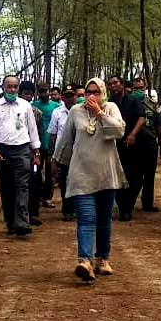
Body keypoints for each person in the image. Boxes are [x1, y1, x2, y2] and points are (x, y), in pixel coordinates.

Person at [52, 78, 126, 282]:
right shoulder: (76, 111)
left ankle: (103, 259)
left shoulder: (111, 108)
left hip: (106, 175)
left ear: (103, 93)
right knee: (86, 218)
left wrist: (99, 114)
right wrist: (56, 162)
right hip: (81, 174)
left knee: (104, 220)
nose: (91, 96)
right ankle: (84, 261)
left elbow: (119, 131)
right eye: (88, 92)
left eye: (96, 92)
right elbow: (66, 139)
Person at [0, 75, 42, 237]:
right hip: (2, 150)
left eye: (15, 87)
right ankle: (10, 222)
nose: (12, 90)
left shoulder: (25, 106)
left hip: (22, 150)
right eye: (9, 87)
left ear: (18, 88)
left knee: (22, 186)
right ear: (3, 88)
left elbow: (32, 129)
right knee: (6, 187)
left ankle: (22, 223)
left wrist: (36, 151)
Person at [116, 76, 158, 220]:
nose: (139, 91)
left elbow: (146, 119)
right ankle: (124, 207)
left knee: (138, 177)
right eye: (136, 88)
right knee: (121, 176)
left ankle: (134, 204)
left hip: (142, 143)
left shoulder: (150, 103)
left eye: (142, 88)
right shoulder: (111, 102)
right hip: (118, 144)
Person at [49, 84, 82, 220]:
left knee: (79, 181)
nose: (69, 98)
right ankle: (67, 209)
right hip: (63, 153)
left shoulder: (83, 111)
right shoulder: (57, 112)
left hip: (80, 153)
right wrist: (52, 156)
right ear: (63, 97)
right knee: (65, 182)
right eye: (66, 96)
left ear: (75, 96)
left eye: (71, 95)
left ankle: (77, 209)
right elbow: (53, 135)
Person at [18, 80, 45, 225]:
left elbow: (39, 136)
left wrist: (37, 155)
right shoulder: (12, 111)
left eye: (30, 94)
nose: (28, 97)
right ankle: (18, 215)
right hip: (15, 154)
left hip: (32, 154)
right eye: (25, 94)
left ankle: (33, 213)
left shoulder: (37, 113)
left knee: (34, 182)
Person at [33, 82, 60, 208]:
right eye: (41, 91)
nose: (44, 93)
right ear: (38, 92)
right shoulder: (33, 106)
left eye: (46, 91)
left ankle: (48, 198)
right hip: (36, 145)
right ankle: (37, 195)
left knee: (50, 172)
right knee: (36, 171)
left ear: (49, 92)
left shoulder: (56, 106)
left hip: (51, 145)